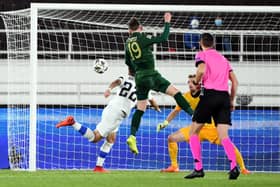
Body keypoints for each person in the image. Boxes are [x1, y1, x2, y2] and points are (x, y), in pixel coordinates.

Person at [56, 70, 160, 172]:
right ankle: (72, 122)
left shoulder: (126, 79)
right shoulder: (144, 87)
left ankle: (99, 167)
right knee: (94, 138)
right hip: (117, 113)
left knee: (111, 139)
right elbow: (152, 101)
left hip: (113, 108)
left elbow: (117, 81)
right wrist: (157, 108)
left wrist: (109, 89)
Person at [125, 12, 193, 154]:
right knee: (176, 93)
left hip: (139, 77)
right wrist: (167, 22)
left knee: (140, 108)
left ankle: (132, 136)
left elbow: (128, 64)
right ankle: (194, 115)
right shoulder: (143, 38)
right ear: (141, 28)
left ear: (129, 30)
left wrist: (135, 72)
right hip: (151, 74)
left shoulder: (127, 43)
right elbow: (163, 38)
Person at [157, 74, 250, 175]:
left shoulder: (206, 94)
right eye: (189, 82)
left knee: (229, 145)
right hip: (196, 129)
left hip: (211, 128)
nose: (190, 84)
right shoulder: (185, 97)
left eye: (193, 82)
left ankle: (243, 168)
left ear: (199, 85)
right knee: (171, 138)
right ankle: (174, 166)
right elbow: (175, 111)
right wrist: (165, 123)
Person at [185, 33, 240, 180]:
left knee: (193, 132)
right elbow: (235, 82)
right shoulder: (223, 59)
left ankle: (198, 168)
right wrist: (231, 100)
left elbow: (201, 70)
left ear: (201, 43)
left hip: (209, 95)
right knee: (223, 136)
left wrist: (196, 82)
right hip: (223, 97)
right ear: (213, 43)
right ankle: (234, 166)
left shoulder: (202, 54)